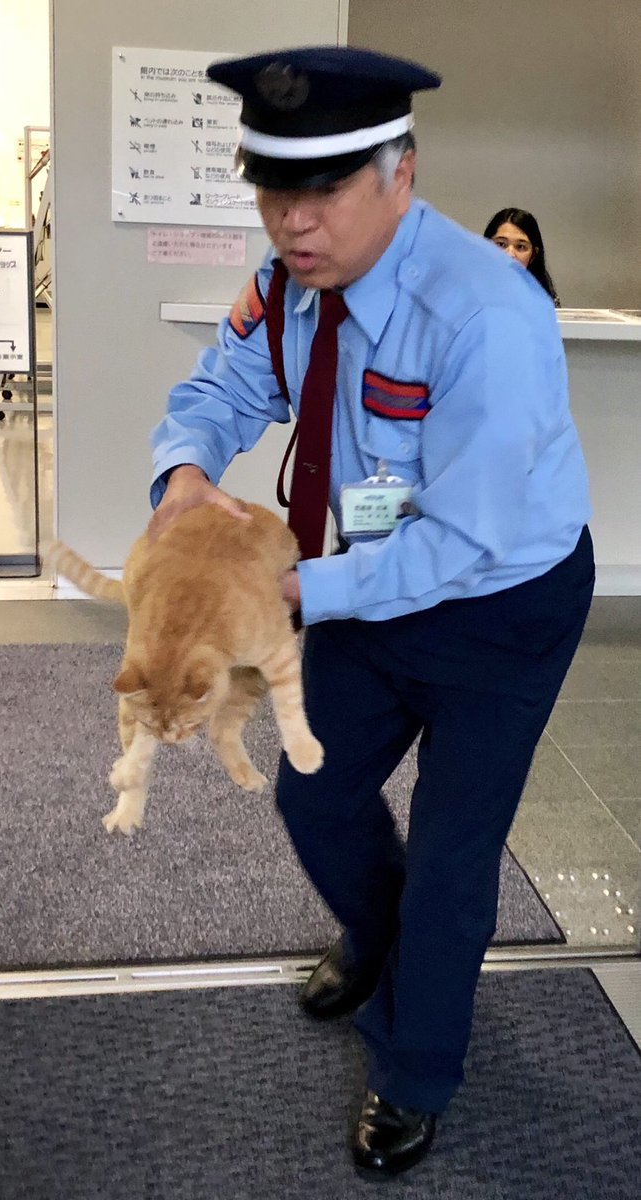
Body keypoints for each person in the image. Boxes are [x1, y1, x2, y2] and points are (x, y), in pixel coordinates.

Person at [148, 46, 594, 1177]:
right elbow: (224, 383)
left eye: (324, 191)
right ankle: (381, 940)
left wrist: (285, 587)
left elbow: (465, 539)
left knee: (454, 855)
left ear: (400, 172)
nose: (294, 223)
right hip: (373, 578)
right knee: (316, 788)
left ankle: (414, 1069)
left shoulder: (486, 314)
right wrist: (186, 478)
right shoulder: (291, 274)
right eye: (272, 189)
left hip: (504, 603)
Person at [483, 206, 560, 304]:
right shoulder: (465, 294)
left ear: (533, 255)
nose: (510, 254)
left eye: (520, 247)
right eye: (501, 244)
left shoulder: (545, 303)